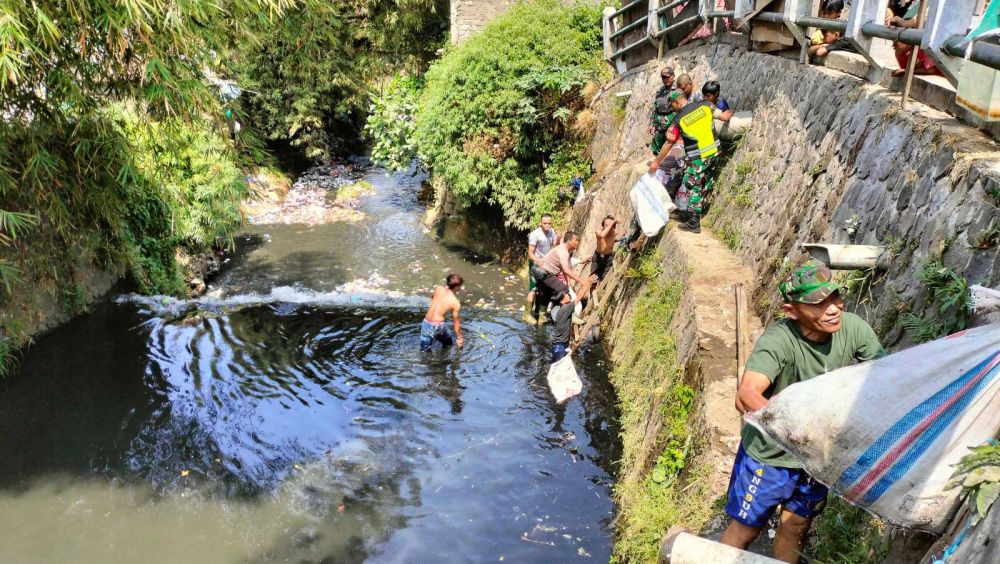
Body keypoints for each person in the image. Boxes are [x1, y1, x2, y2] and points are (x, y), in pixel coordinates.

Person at [719, 260, 887, 563]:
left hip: (817, 456)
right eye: (819, 304)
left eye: (834, 297)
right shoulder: (780, 340)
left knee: (795, 525)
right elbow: (746, 394)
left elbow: (884, 373)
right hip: (771, 454)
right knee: (746, 528)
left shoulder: (854, 330)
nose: (833, 308)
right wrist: (786, 422)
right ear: (791, 311)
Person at [647, 89, 733, 233]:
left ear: (676, 102)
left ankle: (694, 221)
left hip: (699, 157)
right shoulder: (705, 105)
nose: (672, 109)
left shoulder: (678, 119)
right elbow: (724, 116)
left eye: (672, 106)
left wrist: (656, 161)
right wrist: (731, 112)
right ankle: (698, 208)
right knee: (703, 180)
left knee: (691, 183)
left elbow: (669, 142)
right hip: (715, 152)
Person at [534, 231, 589, 310]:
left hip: (541, 272)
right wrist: (581, 281)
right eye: (576, 240)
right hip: (544, 272)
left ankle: (541, 317)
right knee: (564, 290)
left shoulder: (562, 248)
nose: (578, 242)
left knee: (547, 293)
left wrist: (568, 282)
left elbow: (565, 269)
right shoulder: (563, 251)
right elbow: (566, 270)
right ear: (569, 241)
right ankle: (566, 314)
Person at [886, 0, 941, 77]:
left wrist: (906, 71)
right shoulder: (901, 53)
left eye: (898, 39)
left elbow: (931, 70)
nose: (894, 44)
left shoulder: (924, 45)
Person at [550, 275, 598, 362]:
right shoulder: (566, 308)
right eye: (566, 295)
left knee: (559, 364)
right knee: (558, 366)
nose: (568, 295)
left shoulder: (561, 309)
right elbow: (579, 296)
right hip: (559, 345)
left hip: (560, 343)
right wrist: (588, 283)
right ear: (562, 301)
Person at [525, 214, 559, 324]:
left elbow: (554, 246)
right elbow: (530, 253)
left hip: (546, 265)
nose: (547, 225)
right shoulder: (535, 235)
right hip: (536, 265)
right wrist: (537, 261)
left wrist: (557, 239)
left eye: (549, 223)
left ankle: (540, 315)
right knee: (533, 289)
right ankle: (526, 314)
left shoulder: (552, 232)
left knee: (544, 289)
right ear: (540, 223)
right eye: (545, 223)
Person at [421, 274, 465, 352]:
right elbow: (456, 324)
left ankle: (423, 363)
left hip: (426, 323)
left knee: (425, 349)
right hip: (437, 326)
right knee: (448, 345)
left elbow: (432, 297)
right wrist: (459, 338)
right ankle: (445, 361)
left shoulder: (439, 288)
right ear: (457, 286)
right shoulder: (455, 302)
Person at [648, 66, 678, 157]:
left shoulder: (678, 90)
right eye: (663, 77)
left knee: (673, 145)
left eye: (667, 77)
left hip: (672, 122)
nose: (665, 79)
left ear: (673, 76)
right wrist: (651, 123)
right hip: (660, 123)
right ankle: (660, 161)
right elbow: (655, 107)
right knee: (656, 143)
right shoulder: (660, 91)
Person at [592, 215, 617, 281]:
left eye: (611, 225)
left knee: (605, 278)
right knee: (593, 279)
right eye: (606, 225)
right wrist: (612, 223)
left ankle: (602, 290)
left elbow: (615, 240)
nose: (608, 227)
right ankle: (593, 290)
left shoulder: (615, 233)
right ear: (603, 226)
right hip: (597, 257)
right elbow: (603, 235)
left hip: (608, 258)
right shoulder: (598, 231)